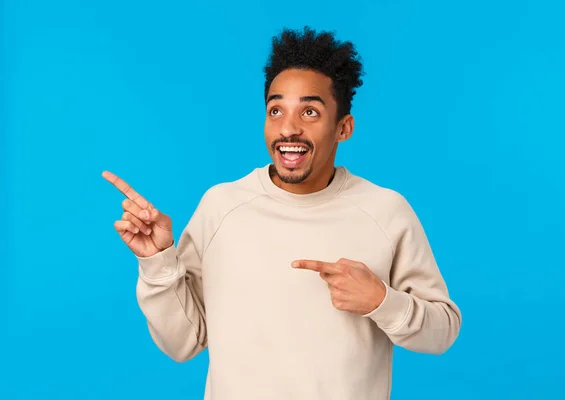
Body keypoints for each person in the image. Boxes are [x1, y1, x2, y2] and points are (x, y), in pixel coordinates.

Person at [103, 26, 461, 400]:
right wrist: (157, 261)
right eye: (276, 110)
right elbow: (183, 343)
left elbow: (444, 331)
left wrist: (381, 302)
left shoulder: (385, 212)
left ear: (344, 128)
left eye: (309, 111)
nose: (289, 128)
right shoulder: (222, 207)